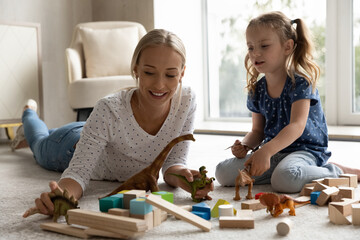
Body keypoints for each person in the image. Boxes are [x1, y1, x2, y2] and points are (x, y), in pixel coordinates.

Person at [16, 29, 213, 217]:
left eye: (170, 75)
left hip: (92, 131)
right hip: (68, 146)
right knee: (39, 141)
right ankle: (28, 113)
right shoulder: (108, 109)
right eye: (149, 73)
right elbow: (79, 172)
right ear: (136, 70)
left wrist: (185, 179)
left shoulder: (186, 101)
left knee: (58, 133)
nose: (160, 84)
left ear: (182, 73)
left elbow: (172, 164)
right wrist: (61, 196)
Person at [215, 11, 360, 193]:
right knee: (222, 172)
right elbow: (257, 131)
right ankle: (279, 170)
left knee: (285, 180)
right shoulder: (256, 89)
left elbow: (297, 126)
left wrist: (266, 151)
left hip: (305, 150)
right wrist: (245, 146)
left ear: (287, 47)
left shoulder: (300, 83)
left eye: (264, 46)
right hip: (275, 152)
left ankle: (335, 170)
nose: (255, 53)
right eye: (250, 47)